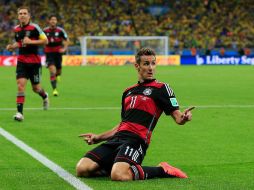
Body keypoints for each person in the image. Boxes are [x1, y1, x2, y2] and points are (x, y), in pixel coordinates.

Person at [76, 47, 194, 181]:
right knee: (82, 169)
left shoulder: (162, 89)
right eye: (146, 64)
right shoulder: (128, 92)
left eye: (153, 63)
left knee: (118, 175)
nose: (151, 68)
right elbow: (123, 124)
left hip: (136, 141)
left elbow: (178, 118)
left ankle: (163, 170)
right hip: (117, 140)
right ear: (137, 66)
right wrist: (98, 137)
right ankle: (118, 166)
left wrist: (184, 118)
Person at [6, 6, 49, 121]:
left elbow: (45, 41)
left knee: (36, 88)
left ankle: (45, 96)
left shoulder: (35, 27)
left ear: (29, 16)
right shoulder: (16, 29)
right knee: (20, 86)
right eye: (20, 13)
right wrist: (12, 46)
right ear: (18, 16)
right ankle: (20, 113)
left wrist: (31, 41)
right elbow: (19, 43)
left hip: (34, 63)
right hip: (21, 62)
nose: (22, 15)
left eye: (25, 13)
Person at [43, 15, 69, 96]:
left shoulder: (60, 30)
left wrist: (64, 49)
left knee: (59, 70)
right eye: (52, 19)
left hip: (58, 53)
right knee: (52, 71)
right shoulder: (44, 31)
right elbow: (40, 39)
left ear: (56, 21)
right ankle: (54, 89)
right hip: (49, 53)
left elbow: (67, 40)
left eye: (55, 19)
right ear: (49, 21)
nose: (53, 21)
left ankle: (58, 76)